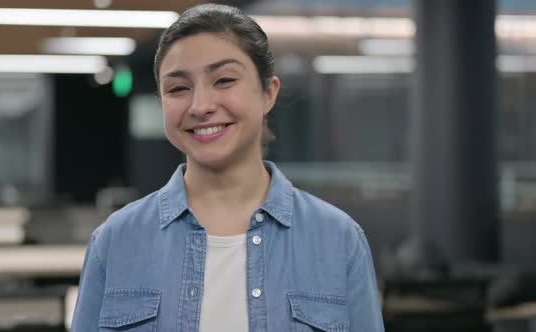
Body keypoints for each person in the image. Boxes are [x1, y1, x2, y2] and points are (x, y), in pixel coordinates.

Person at [71, 3, 384, 331]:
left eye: (223, 80)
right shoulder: (115, 241)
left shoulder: (338, 240)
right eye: (178, 88)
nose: (201, 105)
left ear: (268, 93)